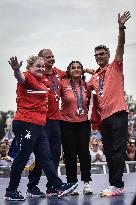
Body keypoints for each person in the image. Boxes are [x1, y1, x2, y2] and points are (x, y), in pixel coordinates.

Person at [4, 56, 77, 201]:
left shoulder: (42, 81)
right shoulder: (27, 77)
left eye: (43, 67)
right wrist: (16, 69)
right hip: (26, 123)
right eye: (38, 66)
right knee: (23, 156)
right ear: (30, 67)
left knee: (46, 156)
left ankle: (58, 186)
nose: (41, 69)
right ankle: (11, 191)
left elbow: (59, 77)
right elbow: (20, 78)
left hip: (39, 125)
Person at [88, 11, 131, 196]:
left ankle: (117, 184)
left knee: (118, 151)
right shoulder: (95, 77)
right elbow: (82, 86)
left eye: (102, 54)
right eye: (96, 55)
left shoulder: (116, 65)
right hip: (104, 119)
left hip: (119, 113)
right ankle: (114, 184)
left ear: (108, 55)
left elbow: (120, 45)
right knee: (109, 152)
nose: (99, 56)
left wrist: (121, 27)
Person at [26, 49, 66, 197]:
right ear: (41, 59)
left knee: (55, 154)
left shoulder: (58, 73)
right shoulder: (37, 74)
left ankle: (52, 187)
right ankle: (32, 186)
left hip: (56, 120)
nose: (51, 58)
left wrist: (86, 69)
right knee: (40, 155)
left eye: (53, 56)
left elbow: (71, 72)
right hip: (40, 121)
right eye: (48, 57)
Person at [60, 61, 93, 195]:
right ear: (69, 70)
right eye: (73, 68)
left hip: (83, 123)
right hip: (66, 123)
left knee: (84, 154)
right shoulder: (63, 84)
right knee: (70, 155)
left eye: (79, 67)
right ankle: (72, 184)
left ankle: (86, 183)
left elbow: (98, 76)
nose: (76, 69)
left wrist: (86, 70)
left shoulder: (87, 85)